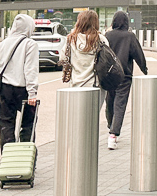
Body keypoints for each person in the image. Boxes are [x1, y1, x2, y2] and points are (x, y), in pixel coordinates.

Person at [0, 14, 39, 149]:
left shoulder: (4, 43)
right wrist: (32, 93)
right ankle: (24, 159)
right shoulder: (30, 44)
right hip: (23, 90)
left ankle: (8, 160)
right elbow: (30, 70)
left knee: (6, 125)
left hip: (5, 89)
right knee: (27, 126)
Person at [105, 10, 148, 150]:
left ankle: (110, 125)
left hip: (109, 75)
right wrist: (144, 69)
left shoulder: (108, 35)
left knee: (109, 102)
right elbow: (138, 54)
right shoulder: (130, 36)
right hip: (124, 76)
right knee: (120, 105)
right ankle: (113, 134)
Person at [62, 10, 109, 88]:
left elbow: (63, 58)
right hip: (96, 84)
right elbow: (107, 60)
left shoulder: (71, 39)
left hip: (76, 84)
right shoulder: (100, 39)